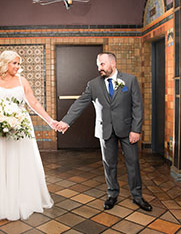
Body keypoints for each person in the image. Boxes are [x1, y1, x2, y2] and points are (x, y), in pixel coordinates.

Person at [55, 52, 152, 212]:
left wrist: (136, 129)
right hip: (104, 130)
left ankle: (137, 196)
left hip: (128, 130)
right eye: (98, 64)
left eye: (102, 64)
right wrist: (66, 121)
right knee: (109, 164)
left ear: (113, 64)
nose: (99, 67)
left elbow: (137, 106)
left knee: (133, 163)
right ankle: (112, 194)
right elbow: (80, 103)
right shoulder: (93, 85)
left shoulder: (130, 80)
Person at [0, 50, 54, 220]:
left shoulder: (22, 81)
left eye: (19, 64)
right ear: (5, 63)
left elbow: (34, 103)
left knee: (19, 161)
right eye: (14, 63)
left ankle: (21, 200)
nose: (17, 67)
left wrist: (50, 121)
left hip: (19, 128)